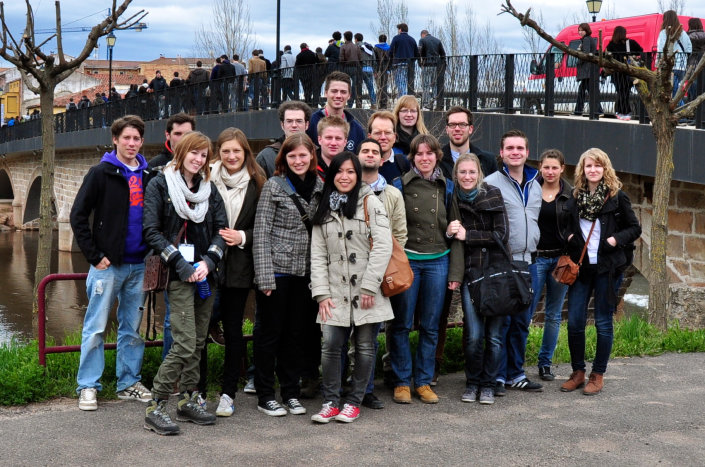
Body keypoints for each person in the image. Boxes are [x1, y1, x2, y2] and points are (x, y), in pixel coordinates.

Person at [142, 131, 226, 435]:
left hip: (205, 275)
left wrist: (208, 262)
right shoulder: (160, 185)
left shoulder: (209, 190)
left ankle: (190, 399)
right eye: (194, 153)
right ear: (182, 152)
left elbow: (221, 230)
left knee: (199, 341)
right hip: (178, 276)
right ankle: (157, 403)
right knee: (185, 341)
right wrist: (181, 263)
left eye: (204, 155)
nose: (198, 159)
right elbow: (151, 231)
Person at [70, 115, 152, 411]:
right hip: (108, 266)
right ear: (115, 139)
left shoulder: (148, 175)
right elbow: (78, 215)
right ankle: (88, 386)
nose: (131, 143)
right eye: (126, 138)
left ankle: (128, 382)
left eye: (137, 139)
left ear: (142, 142)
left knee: (132, 328)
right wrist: (94, 255)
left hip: (139, 265)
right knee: (95, 327)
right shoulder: (100, 173)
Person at [309, 151, 393, 423]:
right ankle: (331, 401)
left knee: (366, 346)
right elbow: (318, 254)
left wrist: (369, 287)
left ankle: (354, 401)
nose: (344, 177)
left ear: (358, 175)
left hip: (368, 291)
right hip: (334, 291)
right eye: (339, 172)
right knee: (331, 344)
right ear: (332, 175)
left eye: (351, 172)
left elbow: (383, 246)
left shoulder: (371, 202)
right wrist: (321, 293)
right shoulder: (324, 206)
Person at [253, 133, 324, 417]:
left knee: (297, 335)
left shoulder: (320, 186)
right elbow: (261, 232)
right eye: (292, 156)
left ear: (311, 157)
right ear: (284, 158)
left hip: (305, 273)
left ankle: (291, 392)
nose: (298, 160)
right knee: (270, 334)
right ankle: (265, 394)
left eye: (303, 155)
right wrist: (264, 277)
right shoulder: (274, 186)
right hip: (278, 271)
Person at [560, 148, 641, 395]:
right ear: (582, 170)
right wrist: (571, 236)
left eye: (597, 166)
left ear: (605, 169)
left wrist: (615, 240)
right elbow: (564, 227)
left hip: (607, 269)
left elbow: (634, 228)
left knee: (604, 322)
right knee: (574, 321)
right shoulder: (575, 198)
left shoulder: (617, 198)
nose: (593, 170)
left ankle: (598, 374)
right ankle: (578, 372)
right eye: (588, 166)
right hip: (581, 267)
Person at [388, 134, 453, 405]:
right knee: (401, 323)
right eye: (419, 154)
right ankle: (401, 381)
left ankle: (424, 381)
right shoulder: (398, 185)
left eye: (429, 153)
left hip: (438, 259)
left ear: (437, 156)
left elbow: (454, 221)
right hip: (408, 259)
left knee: (430, 325)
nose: (424, 158)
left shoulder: (448, 186)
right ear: (412, 157)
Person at [207, 128, 266, 417]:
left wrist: (242, 236)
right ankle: (197, 390)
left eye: (237, 151)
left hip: (240, 269)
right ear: (219, 152)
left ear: (245, 153)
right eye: (226, 151)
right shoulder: (206, 178)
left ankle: (228, 393)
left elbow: (265, 227)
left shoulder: (257, 183)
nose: (231, 156)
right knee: (201, 330)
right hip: (207, 266)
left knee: (232, 331)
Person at [447, 153, 509, 405]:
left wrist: (467, 235)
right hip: (471, 275)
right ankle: (472, 382)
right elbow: (448, 233)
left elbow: (501, 235)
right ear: (456, 174)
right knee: (473, 335)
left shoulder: (492, 194)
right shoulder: (452, 199)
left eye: (472, 172)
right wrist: (450, 231)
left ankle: (488, 384)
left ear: (479, 174)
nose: (467, 177)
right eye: (463, 172)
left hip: (495, 274)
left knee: (493, 336)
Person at [484, 129, 542, 395]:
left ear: (527, 153)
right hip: (503, 261)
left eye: (520, 148)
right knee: (501, 323)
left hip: (528, 261)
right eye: (510, 148)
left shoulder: (535, 183)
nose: (515, 153)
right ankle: (496, 375)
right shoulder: (491, 183)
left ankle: (516, 373)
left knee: (521, 322)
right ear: (502, 153)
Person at [357, 138, 407, 409]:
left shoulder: (393, 195)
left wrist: (382, 267)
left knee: (371, 334)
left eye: (375, 151)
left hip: (379, 271)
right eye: (365, 150)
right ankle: (347, 385)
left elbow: (400, 235)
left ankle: (366, 389)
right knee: (346, 334)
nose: (370, 155)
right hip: (350, 269)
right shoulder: (348, 188)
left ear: (382, 158)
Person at [526, 149, 573, 381]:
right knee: (526, 310)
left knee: (553, 314)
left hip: (559, 260)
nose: (550, 172)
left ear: (562, 169)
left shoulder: (570, 194)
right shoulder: (529, 189)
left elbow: (576, 227)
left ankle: (545, 363)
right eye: (546, 167)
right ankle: (515, 362)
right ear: (540, 168)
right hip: (535, 258)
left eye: (555, 168)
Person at [306, 71, 365, 153]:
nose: (338, 96)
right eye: (334, 91)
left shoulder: (357, 129)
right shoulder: (310, 123)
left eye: (343, 92)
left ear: (349, 96)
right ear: (326, 93)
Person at [256, 100, 312, 178]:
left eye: (299, 121)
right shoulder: (265, 157)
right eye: (289, 121)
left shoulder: (318, 153)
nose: (294, 125)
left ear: (307, 125)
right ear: (282, 125)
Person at [606, 26, 644, 121]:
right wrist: (634, 56)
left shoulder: (611, 44)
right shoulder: (630, 43)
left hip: (616, 73)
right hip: (627, 72)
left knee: (621, 92)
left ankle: (622, 112)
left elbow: (606, 56)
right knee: (625, 93)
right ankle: (624, 112)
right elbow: (641, 51)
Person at [658, 10, 692, 107]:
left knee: (673, 92)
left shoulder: (664, 33)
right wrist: (683, 56)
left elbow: (661, 50)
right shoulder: (684, 34)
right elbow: (689, 49)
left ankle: (682, 112)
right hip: (681, 66)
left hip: (670, 66)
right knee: (675, 90)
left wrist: (659, 63)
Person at [367, 110, 410, 183]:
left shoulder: (404, 164)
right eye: (378, 133)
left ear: (394, 137)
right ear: (369, 137)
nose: (383, 137)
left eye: (387, 133)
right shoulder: (359, 165)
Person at [573, 23, 602, 116]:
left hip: (587, 71)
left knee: (583, 91)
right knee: (588, 91)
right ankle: (597, 110)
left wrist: (578, 58)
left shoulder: (586, 40)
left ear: (586, 31)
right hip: (590, 71)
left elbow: (585, 54)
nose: (580, 32)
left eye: (582, 30)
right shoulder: (589, 39)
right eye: (579, 30)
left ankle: (579, 111)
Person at [418, 29, 446, 110]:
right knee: (435, 85)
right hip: (436, 66)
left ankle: (426, 104)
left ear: (423, 34)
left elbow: (419, 52)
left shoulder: (422, 40)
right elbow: (443, 54)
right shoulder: (437, 41)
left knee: (426, 85)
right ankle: (435, 102)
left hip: (426, 65)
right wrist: (442, 65)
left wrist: (420, 63)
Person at [390, 23, 420, 96]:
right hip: (410, 65)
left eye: (398, 29)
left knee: (400, 83)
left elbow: (391, 51)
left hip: (399, 63)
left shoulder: (396, 38)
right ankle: (407, 99)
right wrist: (412, 61)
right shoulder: (412, 39)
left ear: (400, 29)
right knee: (408, 83)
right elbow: (417, 54)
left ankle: (402, 100)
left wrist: (391, 61)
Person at [339, 31, 363, 108]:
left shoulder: (343, 47)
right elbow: (360, 59)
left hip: (346, 68)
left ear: (345, 38)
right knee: (354, 86)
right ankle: (354, 103)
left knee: (346, 86)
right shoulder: (356, 47)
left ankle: (347, 103)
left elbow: (341, 59)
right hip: (355, 68)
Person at [355, 33, 377, 109]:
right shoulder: (369, 47)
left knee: (358, 87)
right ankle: (373, 103)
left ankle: (359, 103)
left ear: (356, 39)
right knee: (371, 87)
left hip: (360, 69)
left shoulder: (356, 47)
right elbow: (374, 59)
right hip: (370, 69)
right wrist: (375, 70)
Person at [687, 18, 705, 103]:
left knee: (692, 85)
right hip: (703, 64)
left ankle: (691, 108)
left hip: (692, 64)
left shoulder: (688, 37)